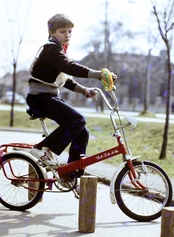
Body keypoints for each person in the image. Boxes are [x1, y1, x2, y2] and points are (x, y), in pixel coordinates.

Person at [26, 13, 117, 179]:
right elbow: (69, 67)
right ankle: (42, 148)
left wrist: (84, 90)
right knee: (78, 120)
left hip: (48, 97)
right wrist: (98, 75)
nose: (67, 35)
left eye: (69, 31)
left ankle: (71, 173)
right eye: (62, 31)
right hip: (39, 98)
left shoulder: (59, 50)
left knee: (82, 132)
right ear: (52, 32)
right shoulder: (51, 48)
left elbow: (65, 79)